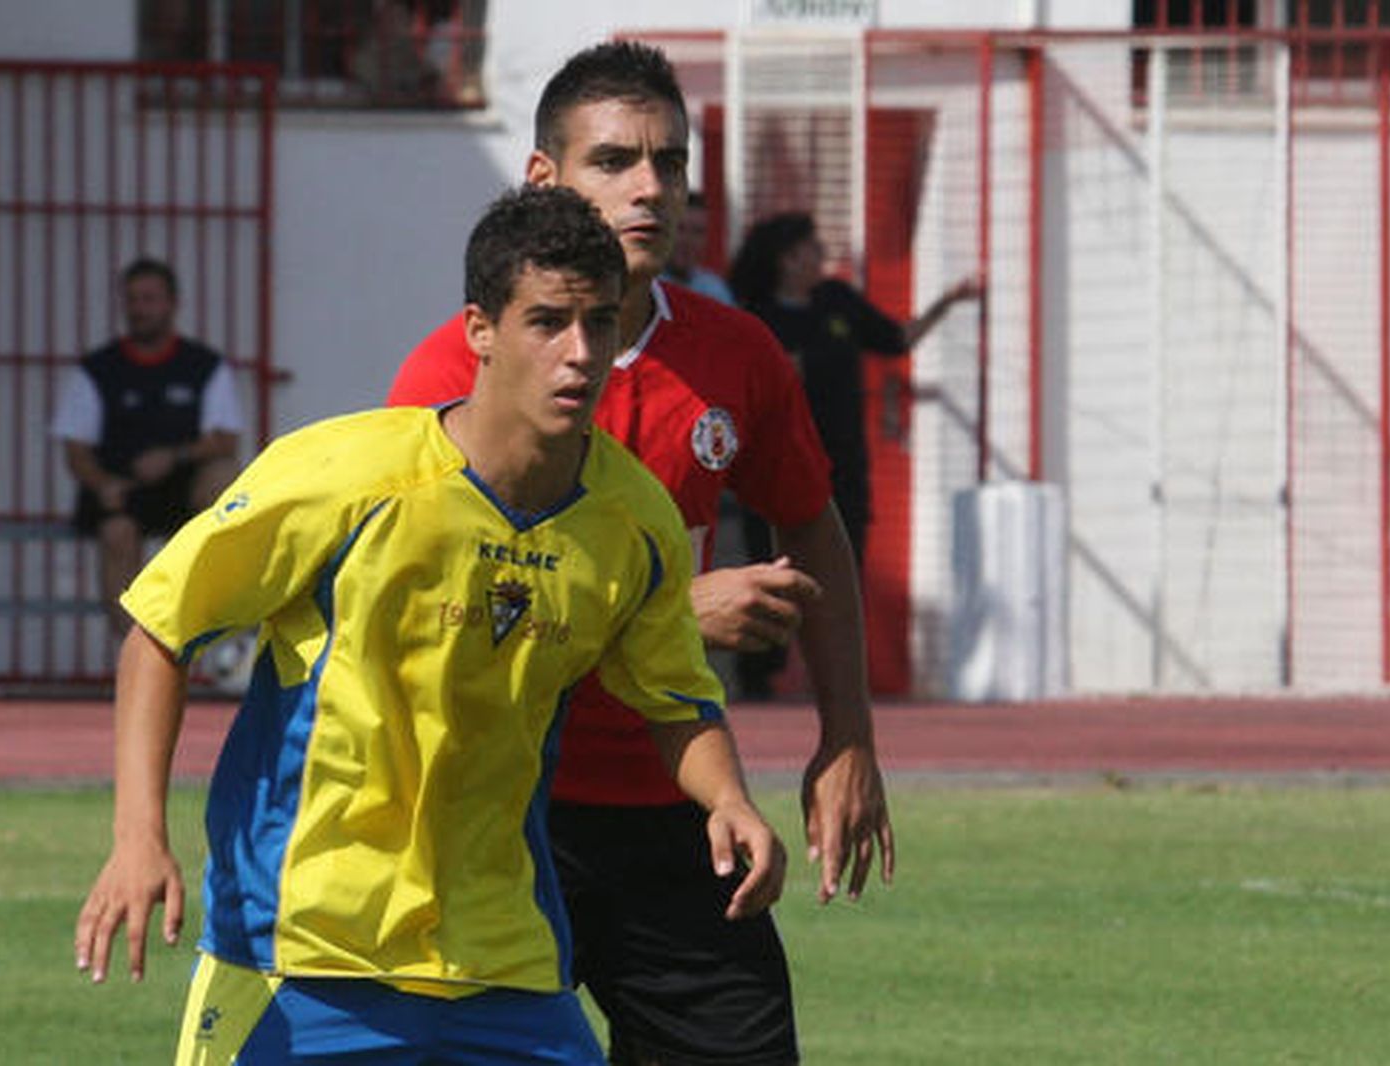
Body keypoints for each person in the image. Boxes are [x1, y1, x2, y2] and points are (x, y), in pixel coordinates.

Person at [72, 185, 785, 1065]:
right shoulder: (345, 476)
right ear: (480, 330)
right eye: (547, 322)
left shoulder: (633, 519)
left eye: (600, 324)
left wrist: (729, 800)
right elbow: (160, 629)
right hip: (304, 951)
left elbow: (676, 695)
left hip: (503, 959)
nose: (579, 353)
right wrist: (139, 837)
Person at [388, 41, 894, 1066]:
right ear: (545, 180)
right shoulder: (453, 370)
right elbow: (433, 612)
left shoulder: (734, 353)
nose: (649, 189)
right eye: (614, 161)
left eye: (670, 163)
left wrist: (846, 733)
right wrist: (662, 615)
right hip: (496, 815)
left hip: (678, 800)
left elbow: (810, 522)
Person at [728, 211, 982, 569]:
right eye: (812, 247)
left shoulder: (838, 299)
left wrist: (947, 301)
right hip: (781, 470)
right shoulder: (757, 318)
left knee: (844, 575)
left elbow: (898, 339)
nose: (822, 254)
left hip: (843, 469)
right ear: (787, 258)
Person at [50, 257, 242, 638]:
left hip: (183, 492)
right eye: (132, 299)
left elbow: (226, 439)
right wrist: (103, 483)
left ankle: (221, 629)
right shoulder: (97, 369)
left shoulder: (204, 366)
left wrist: (174, 457)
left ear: (172, 304)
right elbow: (75, 449)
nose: (139, 309)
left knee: (225, 478)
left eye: (149, 299)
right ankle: (136, 651)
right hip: (121, 493)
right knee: (117, 533)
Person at [661, 190, 734, 304]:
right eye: (680, 229)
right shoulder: (644, 287)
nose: (688, 240)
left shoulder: (715, 290)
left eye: (697, 232)